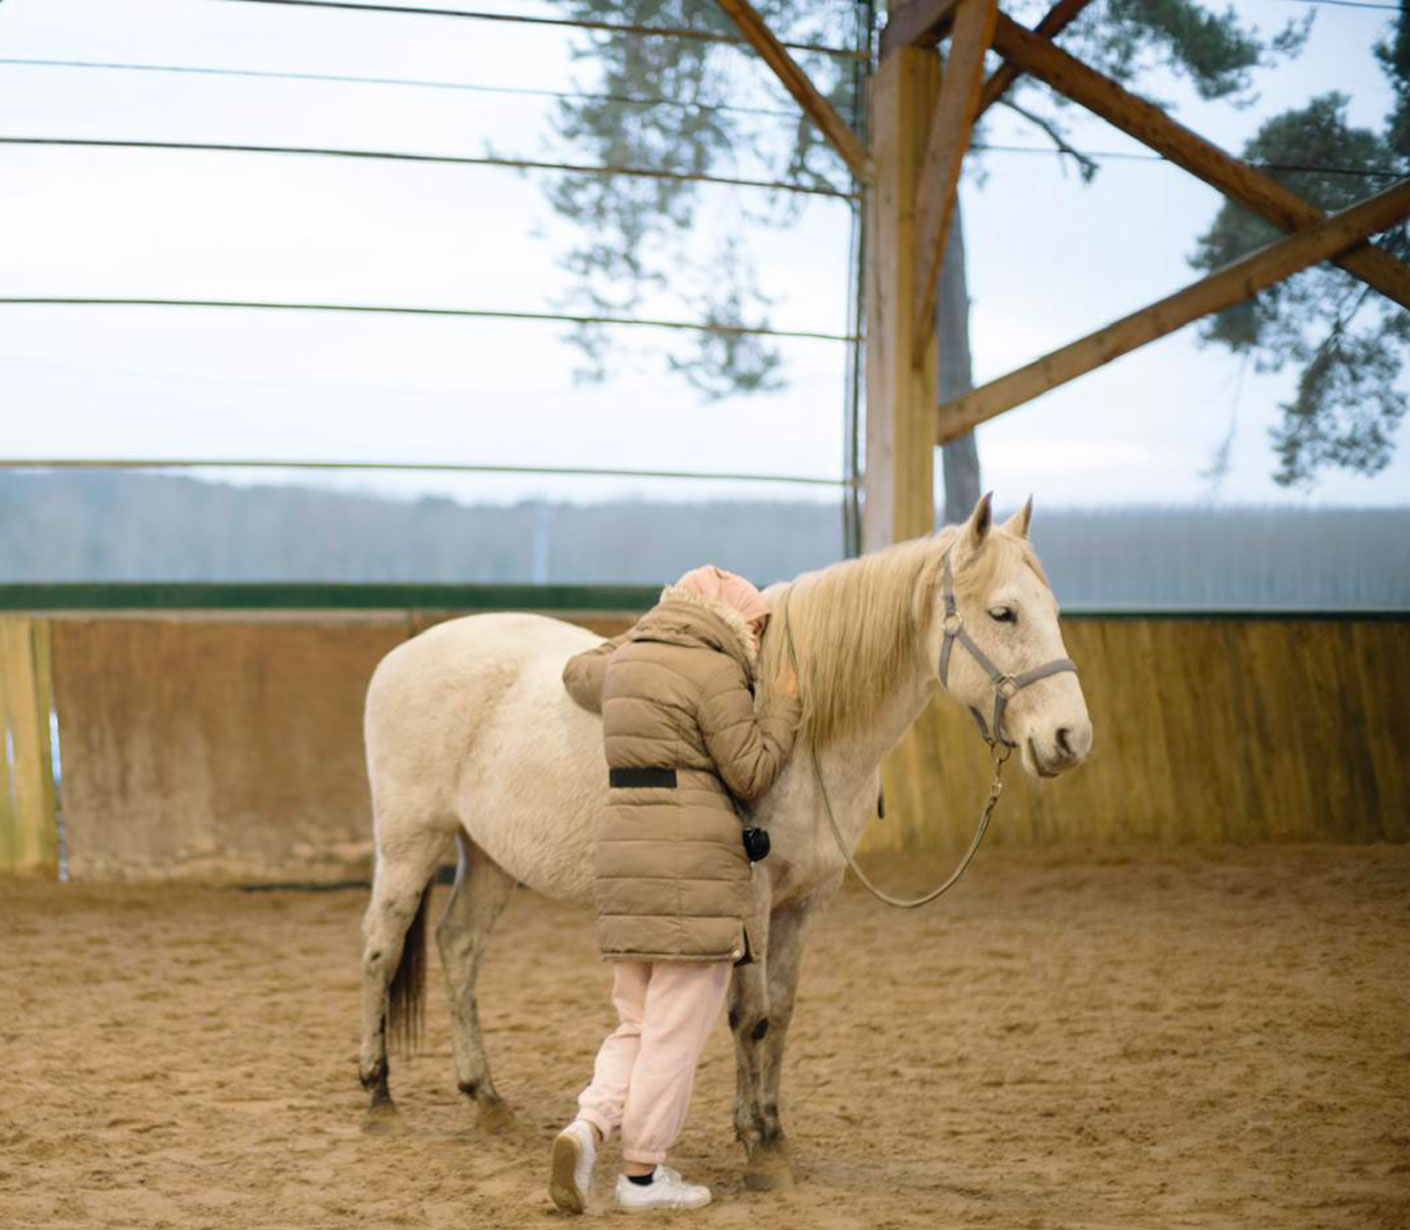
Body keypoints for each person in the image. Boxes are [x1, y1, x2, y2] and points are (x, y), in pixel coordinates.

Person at [549, 564, 801, 1214]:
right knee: (673, 1035)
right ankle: (641, 1176)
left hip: (624, 857)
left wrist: (636, 634)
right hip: (693, 866)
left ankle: (588, 1127)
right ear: (728, 619)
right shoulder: (714, 672)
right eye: (754, 625)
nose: (757, 638)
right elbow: (750, 772)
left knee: (635, 1023)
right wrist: (784, 708)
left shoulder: (626, 661)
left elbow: (577, 672)